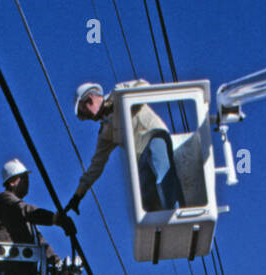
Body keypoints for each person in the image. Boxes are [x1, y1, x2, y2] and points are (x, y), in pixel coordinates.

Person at [66, 80, 182, 217]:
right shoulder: (106, 132)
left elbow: (144, 86)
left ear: (90, 100)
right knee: (146, 197)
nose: (88, 118)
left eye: (84, 113)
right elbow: (95, 167)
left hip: (154, 136)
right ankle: (162, 228)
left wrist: (126, 100)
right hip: (140, 158)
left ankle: (178, 213)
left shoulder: (119, 93)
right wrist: (77, 196)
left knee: (161, 174)